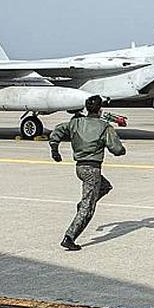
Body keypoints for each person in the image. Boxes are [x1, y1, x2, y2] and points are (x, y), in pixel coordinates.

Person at [49, 95, 126, 251]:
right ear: (100, 110)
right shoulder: (104, 127)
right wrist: (122, 149)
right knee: (88, 209)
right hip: (92, 170)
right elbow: (117, 149)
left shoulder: (76, 123)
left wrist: (54, 149)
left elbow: (57, 130)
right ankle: (69, 237)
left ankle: (83, 203)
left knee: (105, 187)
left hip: (80, 168)